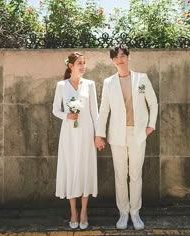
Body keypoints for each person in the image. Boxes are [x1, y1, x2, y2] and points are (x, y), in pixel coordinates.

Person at [95, 44, 158, 230]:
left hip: (138, 134)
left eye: (123, 55)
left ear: (128, 57)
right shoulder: (109, 82)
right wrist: (100, 134)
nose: (119, 59)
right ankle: (123, 213)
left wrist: (150, 126)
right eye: (116, 57)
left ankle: (135, 213)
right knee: (120, 176)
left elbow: (153, 103)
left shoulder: (142, 78)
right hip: (117, 135)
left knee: (136, 175)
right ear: (112, 60)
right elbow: (104, 110)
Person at [52, 52, 98, 230]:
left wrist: (98, 135)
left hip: (86, 132)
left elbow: (95, 112)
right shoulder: (61, 85)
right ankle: (73, 212)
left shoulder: (90, 85)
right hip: (69, 133)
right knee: (71, 168)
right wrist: (67, 115)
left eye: (84, 63)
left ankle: (84, 211)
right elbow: (55, 110)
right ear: (70, 66)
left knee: (85, 168)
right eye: (79, 63)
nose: (83, 66)